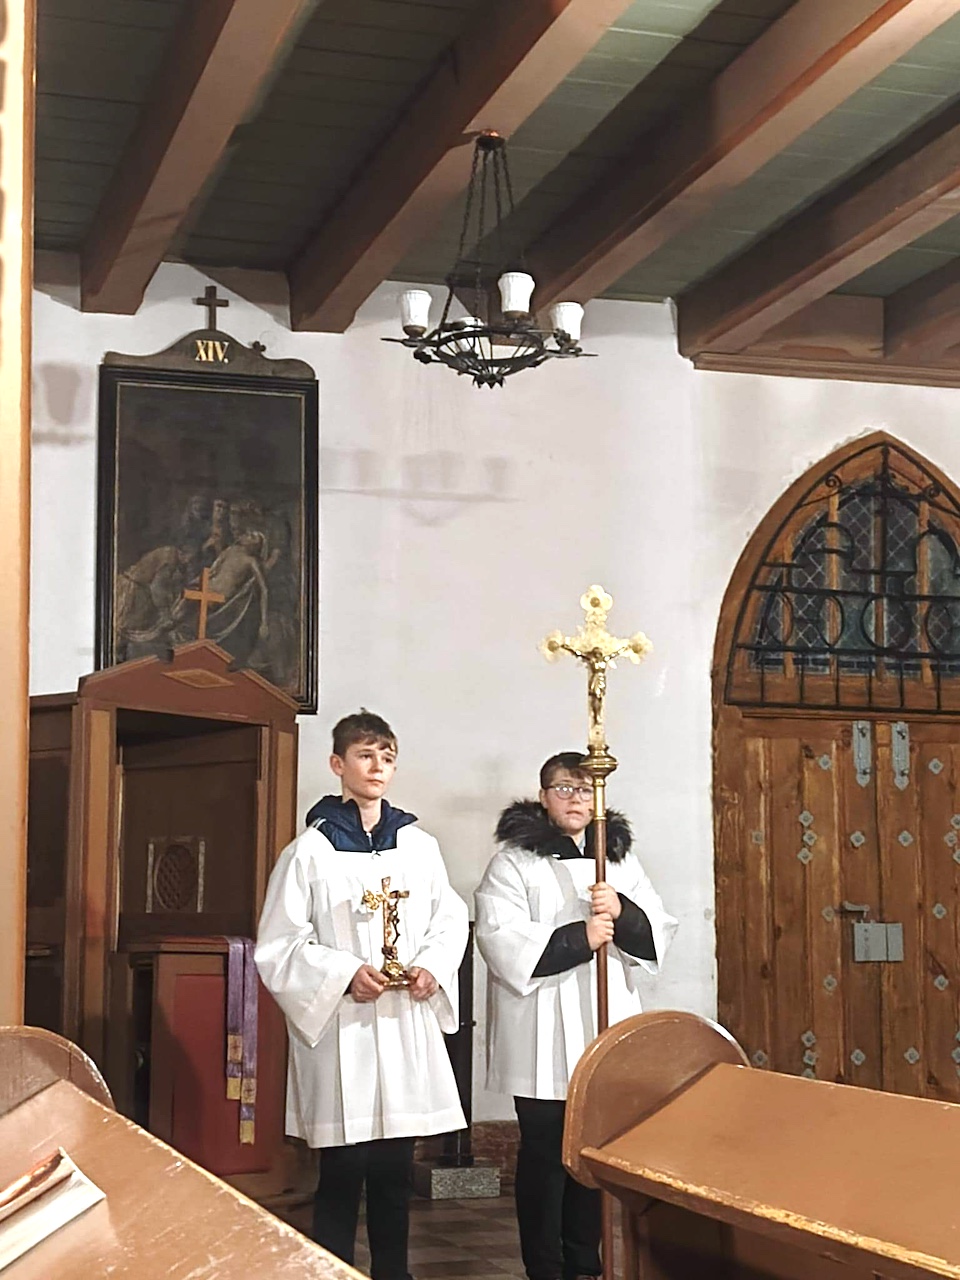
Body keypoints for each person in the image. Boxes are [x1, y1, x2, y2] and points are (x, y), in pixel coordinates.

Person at [255, 711, 468, 1280]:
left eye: (387, 757)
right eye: (365, 755)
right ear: (338, 764)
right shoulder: (309, 852)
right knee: (343, 1171)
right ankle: (335, 1271)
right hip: (344, 1025)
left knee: (396, 1169)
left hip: (402, 1020)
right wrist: (346, 971)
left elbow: (449, 919)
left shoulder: (419, 846)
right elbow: (279, 943)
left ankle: (395, 1273)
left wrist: (431, 966)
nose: (377, 767)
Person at [475, 752, 677, 1280]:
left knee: (591, 1148)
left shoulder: (619, 861)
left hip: (601, 1022)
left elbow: (658, 927)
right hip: (540, 1026)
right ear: (544, 796)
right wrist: (578, 938)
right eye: (564, 788)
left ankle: (584, 1260)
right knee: (545, 1151)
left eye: (585, 790)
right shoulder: (514, 862)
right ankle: (545, 1265)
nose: (576, 799)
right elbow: (499, 936)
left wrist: (623, 912)